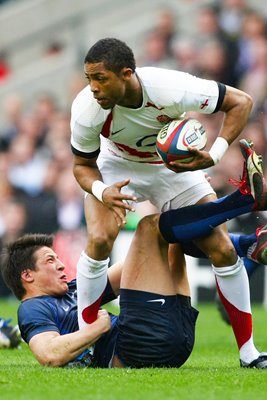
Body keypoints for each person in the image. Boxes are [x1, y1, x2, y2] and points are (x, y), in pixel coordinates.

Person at [70, 37, 265, 367]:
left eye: (100, 78)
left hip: (170, 166)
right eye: (89, 79)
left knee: (220, 248)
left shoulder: (169, 87)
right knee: (100, 239)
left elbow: (241, 102)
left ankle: (249, 354)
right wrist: (104, 192)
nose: (93, 88)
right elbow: (81, 166)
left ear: (127, 74)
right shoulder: (87, 110)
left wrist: (214, 155)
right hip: (116, 165)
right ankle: (83, 344)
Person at [1, 152, 267, 368]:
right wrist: (94, 330)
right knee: (149, 228)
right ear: (28, 276)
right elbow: (49, 354)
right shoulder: (33, 308)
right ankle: (244, 210)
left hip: (168, 341)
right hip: (137, 347)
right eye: (50, 261)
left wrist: (189, 203)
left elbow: (136, 267)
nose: (60, 265)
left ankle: (247, 244)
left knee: (172, 229)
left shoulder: (73, 292)